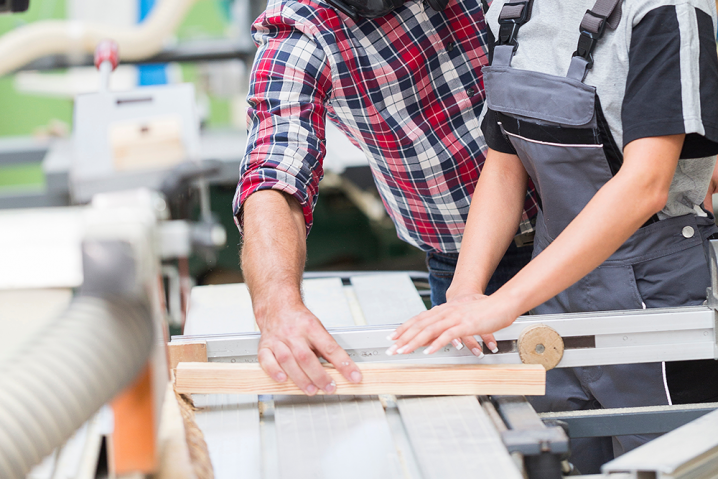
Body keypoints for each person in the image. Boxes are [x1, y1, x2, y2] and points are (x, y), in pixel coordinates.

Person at [388, 0, 718, 473]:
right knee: (563, 453)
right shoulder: (509, 9)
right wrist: (465, 293)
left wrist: (504, 303)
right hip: (553, 285)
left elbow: (645, 184)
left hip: (655, 289)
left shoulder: (665, 11)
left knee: (658, 459)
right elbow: (504, 165)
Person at [233, 0, 538, 396]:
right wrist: (278, 306)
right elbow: (273, 172)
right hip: (464, 265)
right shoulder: (303, 30)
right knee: (500, 421)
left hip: (579, 227)